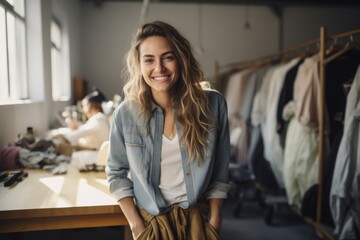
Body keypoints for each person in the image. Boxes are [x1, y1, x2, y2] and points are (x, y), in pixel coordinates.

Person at [106, 21, 231, 240]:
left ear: (181, 60)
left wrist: (215, 219)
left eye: (167, 57)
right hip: (151, 224)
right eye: (149, 60)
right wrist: (136, 225)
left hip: (198, 223)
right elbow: (116, 173)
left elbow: (221, 169)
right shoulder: (125, 114)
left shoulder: (213, 104)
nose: (159, 68)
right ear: (139, 65)